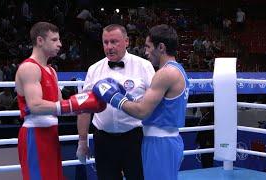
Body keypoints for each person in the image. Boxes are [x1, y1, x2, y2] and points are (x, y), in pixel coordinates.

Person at [93, 24, 190, 180]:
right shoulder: (177, 70)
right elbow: (155, 105)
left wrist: (114, 97)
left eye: (148, 46)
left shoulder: (165, 73)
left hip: (160, 142)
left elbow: (142, 111)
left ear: (161, 47)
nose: (145, 52)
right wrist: (129, 98)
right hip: (164, 140)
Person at [15, 21, 106, 180]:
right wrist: (70, 104)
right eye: (54, 40)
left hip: (51, 133)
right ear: (40, 41)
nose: (60, 44)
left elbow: (60, 104)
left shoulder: (51, 70)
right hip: (34, 133)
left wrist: (85, 103)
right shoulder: (29, 68)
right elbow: (35, 105)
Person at [76, 24, 155, 180]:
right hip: (103, 139)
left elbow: (154, 103)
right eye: (105, 42)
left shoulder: (144, 66)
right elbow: (84, 108)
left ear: (126, 41)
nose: (109, 47)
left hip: (134, 138)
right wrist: (82, 141)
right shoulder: (94, 69)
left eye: (114, 42)